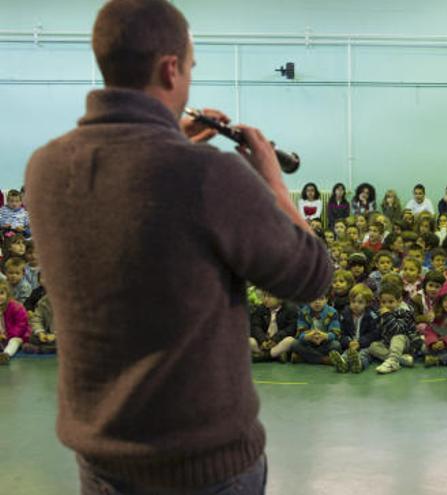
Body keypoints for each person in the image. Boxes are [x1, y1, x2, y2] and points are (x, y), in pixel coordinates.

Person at [25, 1, 333, 492]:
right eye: (189, 66)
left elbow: (140, 212)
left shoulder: (46, 166)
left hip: (102, 459)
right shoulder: (209, 173)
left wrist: (173, 141)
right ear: (171, 69)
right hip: (203, 467)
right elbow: (312, 274)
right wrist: (273, 183)